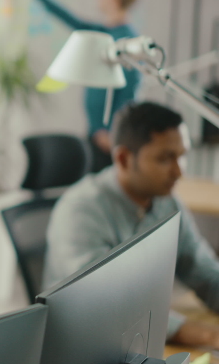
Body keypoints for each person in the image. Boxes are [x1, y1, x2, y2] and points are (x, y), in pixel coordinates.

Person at [44, 102, 219, 349]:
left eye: (182, 156)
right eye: (165, 158)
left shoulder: (166, 202)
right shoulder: (81, 208)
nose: (179, 172)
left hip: (136, 336)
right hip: (79, 342)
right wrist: (206, 335)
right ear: (124, 158)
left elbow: (204, 270)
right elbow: (102, 301)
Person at [11, 0, 142, 173]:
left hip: (107, 138)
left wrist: (109, 131)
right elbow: (71, 19)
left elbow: (129, 91)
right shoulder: (102, 32)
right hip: (94, 132)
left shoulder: (126, 40)